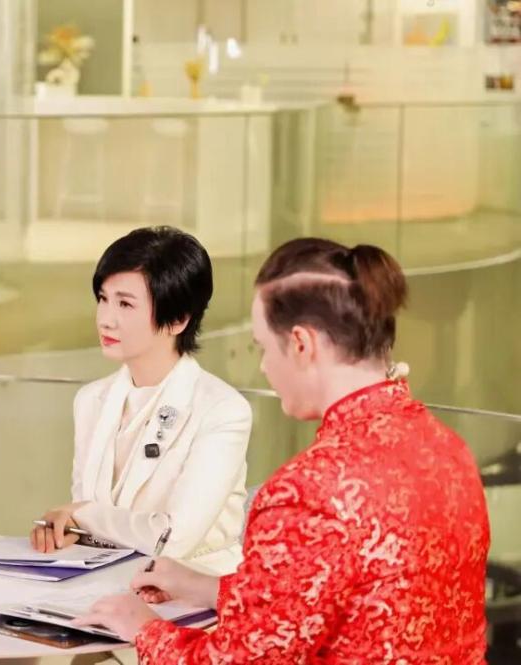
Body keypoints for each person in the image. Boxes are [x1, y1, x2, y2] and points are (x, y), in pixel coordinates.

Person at [77, 238, 490, 664]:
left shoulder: (306, 492)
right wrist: (205, 587)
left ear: (301, 344)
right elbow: (336, 595)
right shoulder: (448, 450)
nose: (264, 367)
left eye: (263, 347)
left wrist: (142, 628)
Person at [30, 226, 252, 576]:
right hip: (102, 584)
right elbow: (85, 527)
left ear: (178, 319)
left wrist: (82, 513)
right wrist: (63, 527)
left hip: (196, 589)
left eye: (125, 304)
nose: (106, 319)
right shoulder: (91, 400)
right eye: (103, 299)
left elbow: (173, 539)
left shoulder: (222, 410)